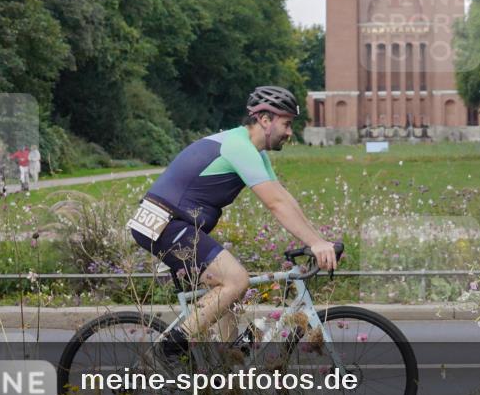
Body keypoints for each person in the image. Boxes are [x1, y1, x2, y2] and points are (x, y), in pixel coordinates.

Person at [130, 86, 338, 358]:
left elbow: (283, 197)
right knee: (236, 280)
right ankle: (168, 351)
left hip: (177, 224)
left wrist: (319, 242)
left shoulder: (253, 151)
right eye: (286, 124)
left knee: (231, 300)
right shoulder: (238, 147)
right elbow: (274, 204)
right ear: (265, 120)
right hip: (166, 223)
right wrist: (315, 243)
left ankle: (226, 380)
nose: (289, 132)